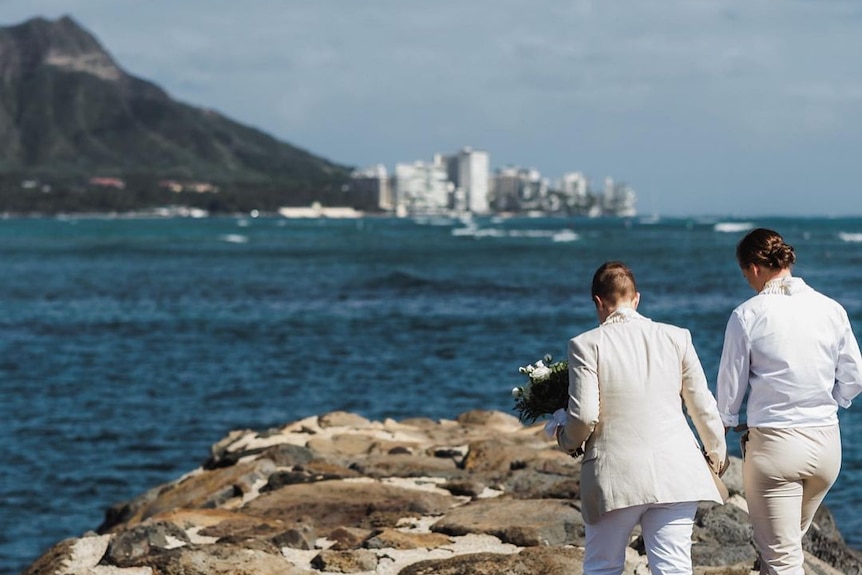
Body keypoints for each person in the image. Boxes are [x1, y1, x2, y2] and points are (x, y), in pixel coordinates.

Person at [551, 261, 728, 575]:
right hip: (676, 470)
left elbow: (585, 415)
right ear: (636, 299)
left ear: (598, 302)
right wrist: (716, 453)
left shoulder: (585, 345)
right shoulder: (677, 337)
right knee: (673, 568)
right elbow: (702, 405)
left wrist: (566, 439)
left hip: (615, 475)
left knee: (602, 567)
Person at [717, 228, 862, 575]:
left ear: (753, 268)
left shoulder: (747, 315)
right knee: (782, 547)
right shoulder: (831, 308)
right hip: (827, 447)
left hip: (777, 449)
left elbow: (728, 394)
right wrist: (831, 400)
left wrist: (724, 426)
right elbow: (855, 377)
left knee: (782, 558)